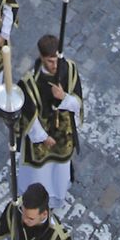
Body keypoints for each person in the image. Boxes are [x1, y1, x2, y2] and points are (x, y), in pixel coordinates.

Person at [21, 32, 83, 210]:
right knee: (40, 172)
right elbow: (28, 115)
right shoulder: (30, 82)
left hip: (64, 133)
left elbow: (77, 102)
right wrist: (42, 137)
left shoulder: (69, 69)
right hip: (42, 137)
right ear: (41, 57)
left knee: (60, 169)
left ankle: (57, 195)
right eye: (50, 61)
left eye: (57, 59)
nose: (55, 65)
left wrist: (64, 97)